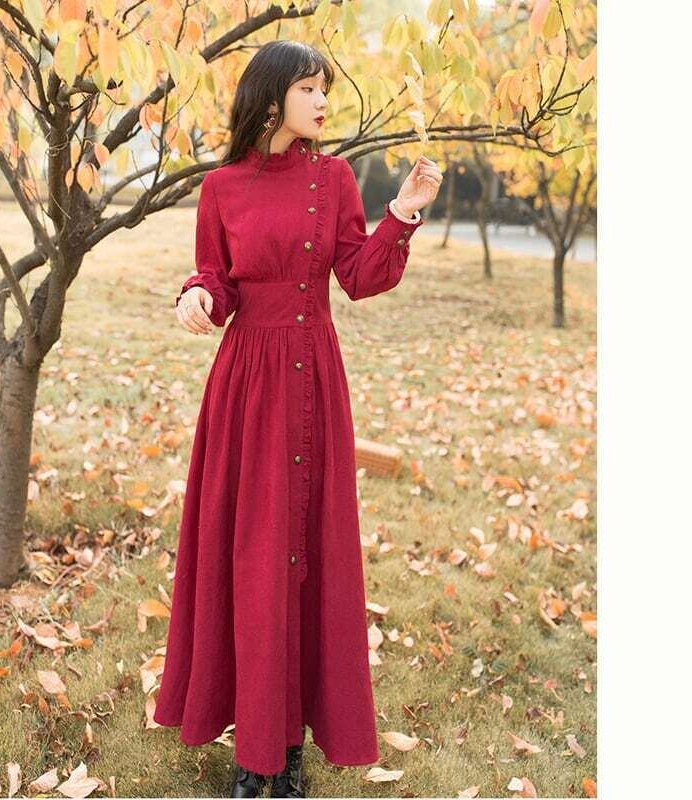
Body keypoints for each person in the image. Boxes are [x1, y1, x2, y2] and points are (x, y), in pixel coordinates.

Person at [152, 40, 443, 798]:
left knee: (306, 554)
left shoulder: (333, 177)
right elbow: (216, 276)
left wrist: (403, 213)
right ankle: (256, 750)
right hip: (246, 388)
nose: (321, 101)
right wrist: (196, 295)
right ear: (273, 94)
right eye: (309, 88)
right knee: (253, 556)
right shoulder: (221, 186)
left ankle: (288, 750)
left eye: (325, 89)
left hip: (314, 378)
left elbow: (360, 277)